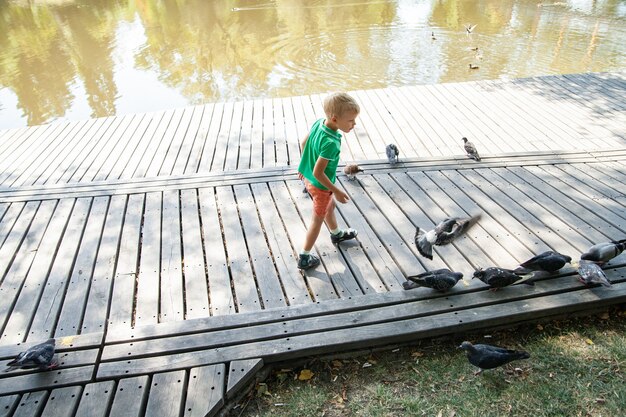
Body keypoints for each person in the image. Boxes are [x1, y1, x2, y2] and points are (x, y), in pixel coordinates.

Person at [296, 92, 360, 270]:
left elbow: (303, 143)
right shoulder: (331, 142)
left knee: (329, 207)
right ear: (334, 118)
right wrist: (337, 191)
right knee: (317, 220)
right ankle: (304, 256)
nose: (354, 124)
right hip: (320, 186)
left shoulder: (319, 123)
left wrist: (303, 167)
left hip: (310, 180)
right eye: (350, 121)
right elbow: (319, 173)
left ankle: (336, 234)